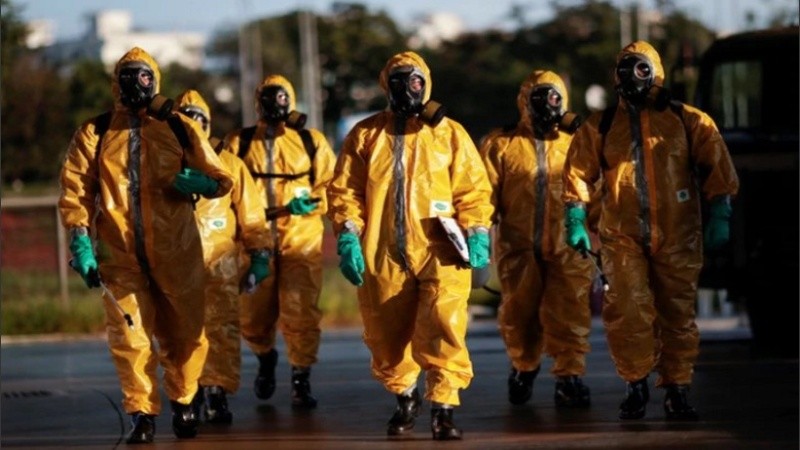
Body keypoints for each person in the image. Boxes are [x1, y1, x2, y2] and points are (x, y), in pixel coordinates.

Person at [58, 47, 234, 443]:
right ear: (117, 83)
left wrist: (205, 184)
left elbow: (222, 176)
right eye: (130, 76)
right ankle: (141, 413)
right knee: (130, 337)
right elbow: (76, 191)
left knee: (185, 334)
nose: (137, 84)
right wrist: (80, 240)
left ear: (155, 80)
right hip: (119, 254)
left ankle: (185, 399)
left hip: (177, 251)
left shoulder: (177, 126)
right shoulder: (95, 133)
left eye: (144, 76)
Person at [561, 41, 739, 421]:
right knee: (627, 310)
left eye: (640, 69)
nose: (632, 77)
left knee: (677, 313)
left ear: (655, 72)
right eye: (625, 69)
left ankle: (677, 387)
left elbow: (717, 165)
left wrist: (720, 210)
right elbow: (577, 172)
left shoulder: (687, 120)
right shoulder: (601, 125)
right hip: (622, 236)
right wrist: (575, 215)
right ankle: (635, 383)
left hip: (678, 233)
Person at [326, 50, 494, 440]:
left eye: (415, 81)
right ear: (387, 86)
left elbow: (473, 191)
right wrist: (348, 234)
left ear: (427, 84)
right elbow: (346, 192)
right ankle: (405, 394)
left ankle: (443, 409)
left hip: (441, 251)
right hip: (382, 251)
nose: (408, 89)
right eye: (399, 81)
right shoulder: (366, 135)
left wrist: (477, 233)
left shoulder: (449, 133)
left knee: (445, 325)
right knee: (385, 335)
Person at [479, 70, 594, 408]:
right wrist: (478, 232)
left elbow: (597, 187)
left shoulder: (577, 142)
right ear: (525, 102)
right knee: (520, 313)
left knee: (570, 310)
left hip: (568, 245)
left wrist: (596, 225)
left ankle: (569, 376)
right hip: (517, 246)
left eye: (554, 98)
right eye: (540, 98)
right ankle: (523, 366)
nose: (548, 105)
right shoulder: (502, 144)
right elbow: (483, 194)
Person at [221, 74, 336, 409]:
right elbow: (225, 183)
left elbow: (332, 184)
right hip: (254, 239)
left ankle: (300, 379)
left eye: (281, 98)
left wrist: (313, 203)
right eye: (270, 99)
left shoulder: (311, 141)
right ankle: (264, 356)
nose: (276, 106)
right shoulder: (239, 142)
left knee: (301, 312)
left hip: (301, 239)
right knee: (253, 314)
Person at [175, 89, 271, 424]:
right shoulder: (162, 162)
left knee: (222, 328)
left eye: (198, 119)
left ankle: (217, 390)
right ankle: (188, 392)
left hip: (220, 263)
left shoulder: (229, 164)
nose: (193, 125)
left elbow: (252, 215)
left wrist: (259, 255)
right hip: (174, 263)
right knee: (180, 331)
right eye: (186, 119)